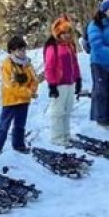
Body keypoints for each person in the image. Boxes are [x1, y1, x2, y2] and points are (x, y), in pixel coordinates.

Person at [0, 36, 39, 154]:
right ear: (12, 51)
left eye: (24, 49)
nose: (23, 52)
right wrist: (27, 92)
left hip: (24, 100)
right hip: (11, 100)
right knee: (4, 125)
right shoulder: (7, 64)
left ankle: (19, 145)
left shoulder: (27, 63)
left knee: (20, 125)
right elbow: (10, 85)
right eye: (20, 50)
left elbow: (34, 79)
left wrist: (32, 90)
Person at [43, 16, 82, 147]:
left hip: (70, 82)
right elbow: (49, 67)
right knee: (58, 111)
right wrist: (52, 85)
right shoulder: (52, 47)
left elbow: (75, 63)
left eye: (69, 32)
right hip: (59, 83)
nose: (67, 35)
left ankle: (66, 134)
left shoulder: (70, 46)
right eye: (64, 33)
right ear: (58, 33)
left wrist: (78, 79)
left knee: (67, 110)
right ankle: (57, 137)